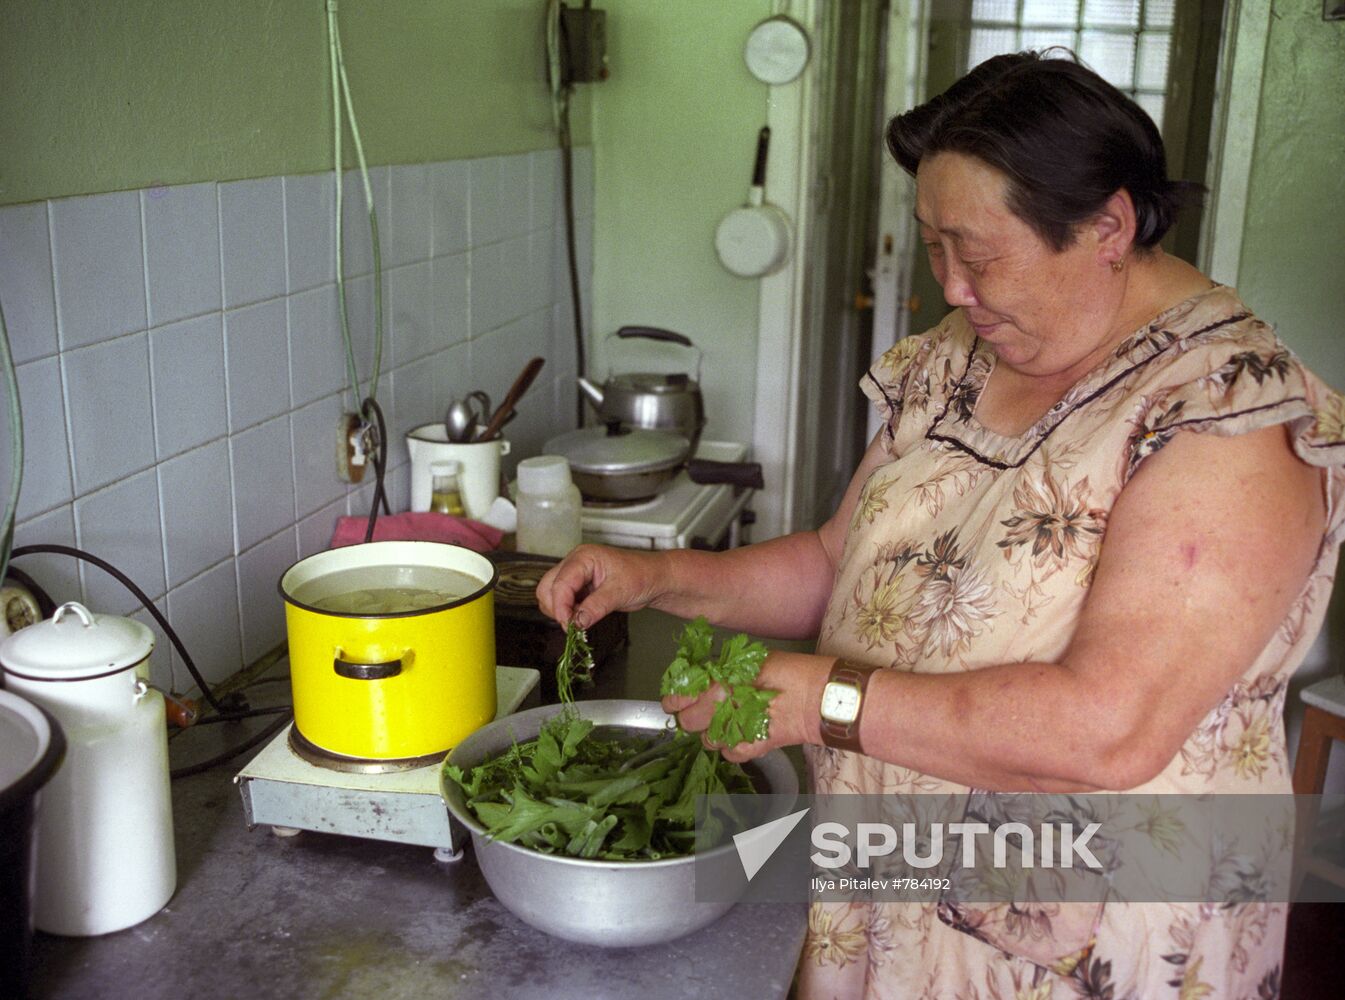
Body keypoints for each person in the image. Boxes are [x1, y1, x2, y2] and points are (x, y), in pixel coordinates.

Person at [538, 50, 1345, 998]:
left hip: (1090, 920)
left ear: (1107, 227)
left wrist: (820, 700)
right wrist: (659, 578)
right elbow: (837, 561)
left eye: (979, 251)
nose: (953, 287)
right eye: (934, 246)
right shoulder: (952, 362)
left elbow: (1109, 730)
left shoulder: (1223, 415)